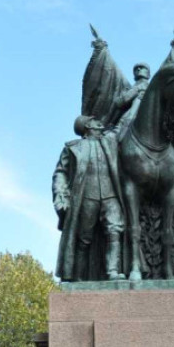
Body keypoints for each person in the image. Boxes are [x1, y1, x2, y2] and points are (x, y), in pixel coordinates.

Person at [53, 115, 127, 281]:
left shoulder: (110, 141)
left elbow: (123, 123)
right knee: (84, 238)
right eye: (95, 121)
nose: (100, 123)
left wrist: (137, 96)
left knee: (115, 229)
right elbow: (60, 173)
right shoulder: (73, 147)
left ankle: (112, 271)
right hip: (87, 196)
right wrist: (60, 195)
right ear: (87, 126)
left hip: (111, 195)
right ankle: (78, 275)